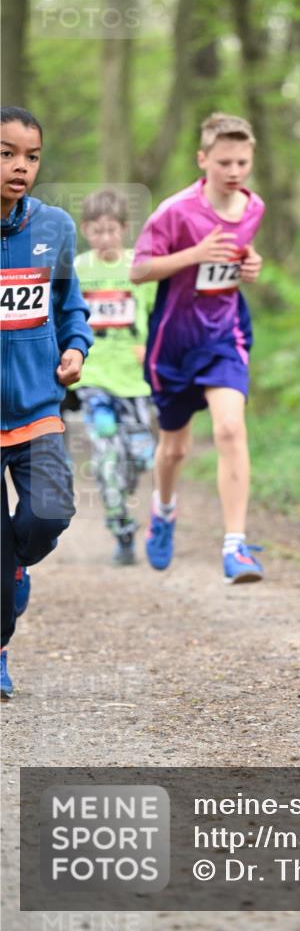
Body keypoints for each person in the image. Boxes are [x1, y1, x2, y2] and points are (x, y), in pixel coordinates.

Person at [131, 112, 265, 583]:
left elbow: (237, 260)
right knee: (175, 450)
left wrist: (249, 265)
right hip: (173, 343)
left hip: (224, 334)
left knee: (231, 429)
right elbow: (139, 269)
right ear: (203, 159)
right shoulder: (175, 211)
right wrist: (194, 255)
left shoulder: (253, 209)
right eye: (224, 162)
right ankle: (164, 511)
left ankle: (236, 547)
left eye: (242, 162)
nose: (234, 171)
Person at [1, 106, 93, 700]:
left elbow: (70, 308)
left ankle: (12, 567)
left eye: (31, 157)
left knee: (51, 514)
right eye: (7, 153)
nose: (20, 167)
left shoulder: (54, 227)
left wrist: (76, 349)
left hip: (38, 408)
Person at [72, 189, 156, 566]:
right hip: (94, 377)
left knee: (138, 458)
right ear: (86, 229)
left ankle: (127, 488)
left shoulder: (140, 267)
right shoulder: (77, 270)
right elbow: (65, 315)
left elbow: (158, 314)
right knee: (106, 450)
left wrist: (151, 347)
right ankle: (120, 526)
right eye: (97, 231)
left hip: (134, 378)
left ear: (124, 229)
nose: (105, 238)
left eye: (112, 231)